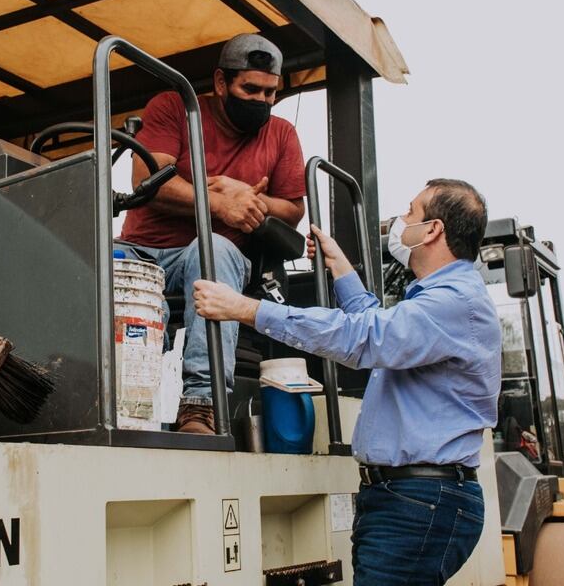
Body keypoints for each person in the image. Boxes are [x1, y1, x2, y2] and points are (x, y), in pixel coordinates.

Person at [193, 179, 501, 584]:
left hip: (420, 501)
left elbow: (365, 337)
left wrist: (248, 309)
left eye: (410, 211)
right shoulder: (443, 299)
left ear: (432, 230)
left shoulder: (451, 303)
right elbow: (377, 328)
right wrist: (340, 267)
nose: (399, 221)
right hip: (410, 498)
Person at [117, 33, 306, 435]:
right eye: (250, 89)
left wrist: (240, 196)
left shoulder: (282, 134)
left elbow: (292, 207)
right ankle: (136, 397)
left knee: (212, 248)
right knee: (97, 259)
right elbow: (145, 181)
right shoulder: (173, 107)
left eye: (270, 92)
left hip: (212, 257)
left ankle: (200, 405)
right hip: (143, 251)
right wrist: (216, 200)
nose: (262, 100)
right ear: (221, 83)